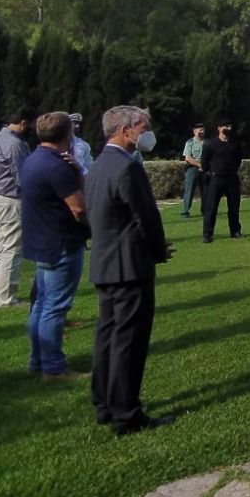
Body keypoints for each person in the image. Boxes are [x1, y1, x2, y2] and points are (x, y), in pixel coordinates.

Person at [87, 105, 173, 435]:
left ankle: (105, 403)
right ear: (125, 130)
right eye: (143, 127)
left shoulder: (98, 165)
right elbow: (146, 217)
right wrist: (158, 251)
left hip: (106, 263)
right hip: (129, 265)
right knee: (129, 341)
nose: (147, 133)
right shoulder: (128, 167)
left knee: (108, 336)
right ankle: (127, 413)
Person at [20, 112, 89, 382]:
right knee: (55, 307)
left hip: (40, 241)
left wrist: (77, 171)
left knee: (40, 304)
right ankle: (53, 368)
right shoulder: (56, 166)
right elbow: (79, 207)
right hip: (61, 242)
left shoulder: (33, 159)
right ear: (68, 134)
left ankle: (38, 361)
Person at [0, 108, 33, 308]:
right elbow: (22, 176)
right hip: (10, 197)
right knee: (12, 248)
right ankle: (6, 297)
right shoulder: (15, 144)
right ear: (22, 123)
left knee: (1, 247)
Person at [200, 119, 243, 242]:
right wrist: (210, 172)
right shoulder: (210, 144)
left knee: (234, 207)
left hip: (232, 178)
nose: (228, 128)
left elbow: (238, 159)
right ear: (219, 128)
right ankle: (208, 234)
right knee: (211, 207)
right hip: (216, 178)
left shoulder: (235, 143)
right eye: (225, 126)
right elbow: (204, 163)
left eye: (230, 126)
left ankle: (235, 231)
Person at [180, 123, 206, 218]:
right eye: (199, 130)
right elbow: (188, 158)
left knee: (206, 191)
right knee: (189, 191)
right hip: (192, 168)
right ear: (194, 131)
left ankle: (205, 211)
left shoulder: (207, 142)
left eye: (203, 130)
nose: (201, 132)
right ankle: (185, 212)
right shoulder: (190, 142)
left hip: (205, 169)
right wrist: (200, 165)